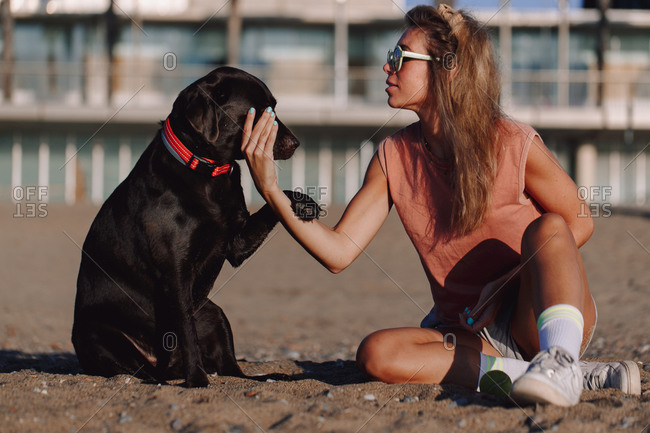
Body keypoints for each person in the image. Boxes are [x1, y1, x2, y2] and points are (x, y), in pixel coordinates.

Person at [240, 5, 640, 406]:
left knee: (548, 228)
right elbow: (339, 252)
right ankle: (556, 376)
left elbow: (579, 220)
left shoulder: (512, 140)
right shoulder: (392, 155)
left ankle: (561, 358)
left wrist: (501, 287)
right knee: (377, 354)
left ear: (446, 69)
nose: (386, 66)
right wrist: (272, 191)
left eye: (399, 57)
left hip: (538, 317)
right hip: (466, 334)